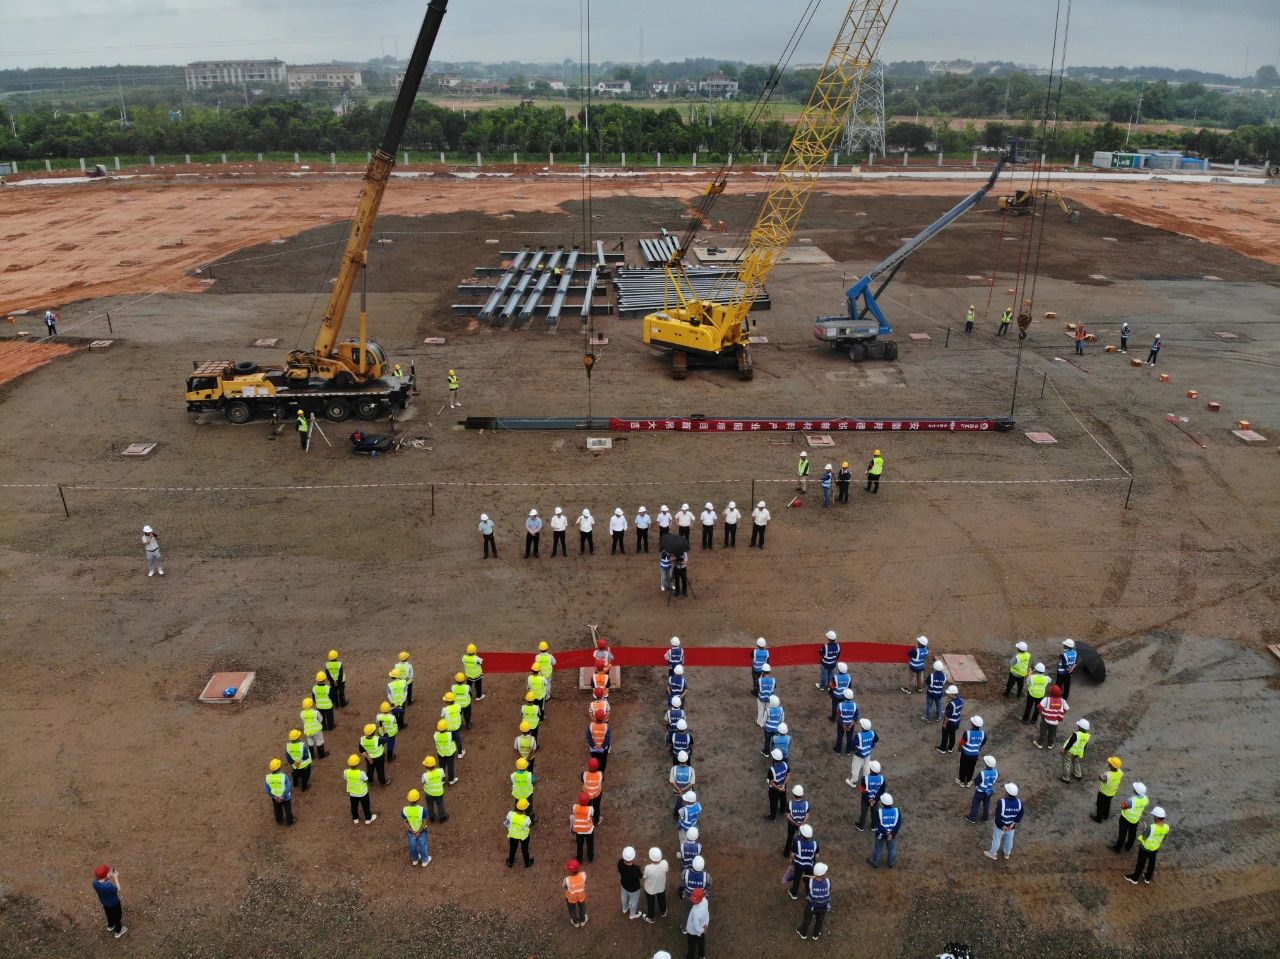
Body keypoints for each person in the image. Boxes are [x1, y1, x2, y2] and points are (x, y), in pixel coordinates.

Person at [1125, 807, 1169, 884]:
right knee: (1152, 862)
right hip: (1155, 848)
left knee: (1141, 863)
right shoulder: (1166, 827)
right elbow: (1164, 838)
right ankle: (1148, 877)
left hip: (1145, 848)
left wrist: (1145, 830)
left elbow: (1143, 838)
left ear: (1156, 817)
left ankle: (1134, 878)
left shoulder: (1151, 827)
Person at [984, 783, 1022, 861]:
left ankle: (993, 854)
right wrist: (1013, 824)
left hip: (1000, 826)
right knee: (1009, 840)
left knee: (996, 840)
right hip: (1011, 827)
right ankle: (1007, 853)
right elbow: (1020, 815)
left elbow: (997, 816)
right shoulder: (1019, 802)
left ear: (1007, 793)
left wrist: (1002, 826)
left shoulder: (1001, 802)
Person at [796, 861, 831, 941]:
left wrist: (813, 877)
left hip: (811, 906)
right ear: (823, 874)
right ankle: (816, 934)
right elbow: (829, 889)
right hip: (823, 906)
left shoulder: (809, 881)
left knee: (807, 920)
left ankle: (803, 933)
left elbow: (804, 877)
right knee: (820, 920)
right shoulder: (828, 881)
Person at [1113, 782, 1149, 853]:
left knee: (1122, 834)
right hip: (1135, 819)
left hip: (1125, 818)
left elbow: (1123, 807)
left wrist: (1123, 804)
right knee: (1132, 834)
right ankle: (1128, 846)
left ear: (1136, 791)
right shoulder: (1146, 799)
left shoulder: (1132, 800)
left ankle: (1117, 848)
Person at [92, 864, 126, 939]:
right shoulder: (108, 886)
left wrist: (108, 877)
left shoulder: (94, 882)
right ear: (107, 875)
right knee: (117, 916)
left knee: (109, 914)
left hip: (105, 903)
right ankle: (118, 931)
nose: (110, 872)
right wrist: (116, 878)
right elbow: (118, 889)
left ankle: (110, 925)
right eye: (109, 872)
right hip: (114, 904)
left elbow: (103, 881)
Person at [867, 793, 899, 868]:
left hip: (880, 835)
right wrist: (891, 834)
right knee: (891, 849)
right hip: (891, 835)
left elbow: (877, 824)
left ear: (882, 803)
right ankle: (891, 863)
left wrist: (886, 833)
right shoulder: (897, 811)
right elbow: (898, 824)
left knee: (878, 849)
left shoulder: (879, 812)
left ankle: (875, 863)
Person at [787, 823, 818, 900]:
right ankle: (808, 894)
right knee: (808, 878)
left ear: (802, 834)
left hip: (799, 864)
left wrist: (792, 861)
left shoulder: (796, 842)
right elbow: (817, 855)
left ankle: (793, 893)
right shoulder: (814, 844)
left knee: (797, 878)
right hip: (810, 864)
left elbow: (793, 854)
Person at [344, 754, 375, 825]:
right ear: (358, 763)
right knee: (366, 806)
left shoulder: (346, 772)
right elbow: (366, 780)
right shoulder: (361, 773)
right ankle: (368, 819)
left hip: (352, 793)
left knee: (354, 806)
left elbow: (345, 778)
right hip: (362, 793)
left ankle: (355, 818)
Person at [846, 717, 878, 786]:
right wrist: (870, 745)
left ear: (862, 727)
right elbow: (876, 739)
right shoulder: (873, 733)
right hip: (867, 753)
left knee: (856, 769)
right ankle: (866, 780)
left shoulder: (859, 735)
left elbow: (852, 745)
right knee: (866, 767)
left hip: (859, 755)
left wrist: (856, 749)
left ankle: (853, 782)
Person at [1035, 685, 1069, 749]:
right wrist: (1062, 714)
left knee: (1043, 732)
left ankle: (1040, 743)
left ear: (1051, 692)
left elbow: (1039, 707)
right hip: (1055, 722)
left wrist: (1041, 714)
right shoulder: (1062, 701)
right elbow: (1067, 708)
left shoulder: (1046, 699)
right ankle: (1050, 745)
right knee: (1052, 733)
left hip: (1045, 720)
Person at [966, 755, 998, 823]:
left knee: (975, 803)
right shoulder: (995, 772)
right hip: (989, 791)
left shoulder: (982, 773)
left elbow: (977, 781)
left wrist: (975, 782)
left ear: (986, 764)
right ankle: (985, 817)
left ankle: (973, 818)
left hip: (980, 791)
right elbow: (994, 781)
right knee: (986, 804)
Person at [403, 789, 431, 866]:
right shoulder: (422, 810)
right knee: (423, 845)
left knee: (412, 846)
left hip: (411, 832)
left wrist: (412, 830)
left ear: (408, 799)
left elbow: (405, 822)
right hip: (421, 832)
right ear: (418, 799)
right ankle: (425, 860)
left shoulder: (405, 810)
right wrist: (418, 831)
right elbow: (424, 821)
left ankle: (415, 859)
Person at [855, 760, 885, 832]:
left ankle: (861, 826)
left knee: (864, 813)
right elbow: (882, 791)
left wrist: (868, 799)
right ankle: (873, 826)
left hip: (865, 800)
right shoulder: (882, 779)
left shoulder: (865, 778)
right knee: (874, 813)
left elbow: (863, 790)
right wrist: (874, 800)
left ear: (871, 770)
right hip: (875, 800)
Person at [956, 716, 986, 787]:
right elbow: (984, 741)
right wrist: (979, 747)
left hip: (966, 753)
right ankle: (969, 781)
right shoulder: (983, 734)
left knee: (963, 766)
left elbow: (962, 742)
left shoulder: (967, 733)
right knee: (971, 767)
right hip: (975, 754)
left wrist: (959, 748)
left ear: (973, 724)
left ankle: (962, 781)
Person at [1093, 757, 1125, 823]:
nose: (1108, 763)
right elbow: (1121, 776)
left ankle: (1098, 818)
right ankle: (1106, 815)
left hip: (1103, 793)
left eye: (1110, 763)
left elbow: (1102, 779)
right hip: (1112, 792)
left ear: (1112, 766)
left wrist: (1099, 777)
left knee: (1100, 805)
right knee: (1107, 804)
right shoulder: (1120, 772)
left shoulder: (1107, 774)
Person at [264, 758, 295, 826]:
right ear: (279, 767)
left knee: (277, 809)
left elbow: (267, 790)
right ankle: (290, 821)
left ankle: (279, 820)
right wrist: (282, 796)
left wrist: (274, 796)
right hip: (285, 797)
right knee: (287, 809)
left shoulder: (268, 778)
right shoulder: (284, 777)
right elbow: (288, 787)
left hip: (275, 798)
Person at [782, 783, 810, 856]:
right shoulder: (806, 804)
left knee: (790, 838)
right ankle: (800, 852)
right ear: (802, 795)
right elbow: (807, 814)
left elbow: (788, 815)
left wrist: (795, 823)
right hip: (802, 825)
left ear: (794, 794)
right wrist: (803, 822)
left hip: (792, 824)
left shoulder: (790, 803)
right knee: (802, 839)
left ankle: (786, 853)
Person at [1060, 718, 1091, 783]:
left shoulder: (1076, 734)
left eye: (1079, 725)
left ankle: (1066, 778)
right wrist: (1082, 753)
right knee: (1076, 762)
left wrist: (1064, 750)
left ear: (1081, 727)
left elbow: (1069, 744)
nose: (1078, 726)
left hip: (1070, 751)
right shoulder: (1087, 736)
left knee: (1066, 763)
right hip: (1078, 752)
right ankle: (1078, 775)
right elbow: (1085, 746)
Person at [505, 798, 534, 868]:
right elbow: (527, 826)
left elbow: (507, 824)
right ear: (525, 809)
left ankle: (510, 863)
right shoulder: (527, 819)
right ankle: (527, 863)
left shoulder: (510, 814)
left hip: (513, 835)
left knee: (512, 849)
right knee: (525, 849)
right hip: (524, 836)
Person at [643, 847, 669, 922]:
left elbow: (644, 876)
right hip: (661, 887)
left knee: (651, 903)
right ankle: (663, 912)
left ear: (651, 858)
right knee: (662, 899)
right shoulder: (665, 863)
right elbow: (666, 870)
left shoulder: (648, 868)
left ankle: (651, 917)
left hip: (650, 889)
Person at [684, 886, 710, 959]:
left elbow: (696, 926)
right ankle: (701, 956)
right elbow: (707, 912)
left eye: (695, 901)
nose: (693, 902)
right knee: (701, 942)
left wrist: (702, 930)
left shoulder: (696, 912)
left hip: (692, 931)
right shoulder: (705, 901)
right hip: (702, 926)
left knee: (691, 947)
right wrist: (706, 924)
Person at [619, 847, 644, 919]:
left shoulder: (620, 863)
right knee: (633, 901)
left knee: (624, 897)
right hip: (634, 888)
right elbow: (640, 876)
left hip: (623, 885)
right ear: (633, 858)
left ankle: (625, 908)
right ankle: (632, 914)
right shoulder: (635, 869)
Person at [766, 748, 791, 820]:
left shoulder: (771, 769)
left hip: (774, 789)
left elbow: (770, 781)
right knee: (783, 798)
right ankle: (783, 810)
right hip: (783, 786)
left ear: (773, 759)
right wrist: (783, 785)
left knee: (773, 803)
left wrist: (777, 787)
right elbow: (788, 774)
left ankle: (772, 817)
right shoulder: (785, 764)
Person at [571, 791, 596, 863]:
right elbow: (592, 815)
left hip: (579, 831)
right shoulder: (590, 809)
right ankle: (590, 857)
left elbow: (574, 812)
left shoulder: (575, 807)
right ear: (588, 801)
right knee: (590, 844)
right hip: (589, 830)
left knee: (579, 845)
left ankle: (579, 859)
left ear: (579, 800)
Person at [937, 685, 963, 753]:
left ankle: (942, 748)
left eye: (949, 693)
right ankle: (950, 748)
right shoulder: (961, 700)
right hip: (956, 722)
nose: (948, 694)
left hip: (950, 723)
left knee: (945, 735)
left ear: (953, 694)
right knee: (952, 735)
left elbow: (947, 716)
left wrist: (945, 724)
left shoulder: (951, 705)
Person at [669, 750, 696, 815]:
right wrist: (683, 790)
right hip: (687, 792)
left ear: (678, 760)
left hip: (677, 791)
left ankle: (676, 813)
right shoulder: (691, 770)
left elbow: (672, 781)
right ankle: (686, 814)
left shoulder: (674, 769)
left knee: (678, 801)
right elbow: (692, 783)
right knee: (687, 803)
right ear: (686, 760)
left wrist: (679, 791)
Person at [564, 859, 588, 927]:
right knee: (582, 907)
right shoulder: (583, 875)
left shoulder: (567, 879)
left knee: (572, 909)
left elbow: (564, 886)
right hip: (581, 896)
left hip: (571, 898)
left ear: (570, 871)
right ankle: (583, 920)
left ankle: (575, 922)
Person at [434, 719, 458, 784]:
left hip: (441, 754)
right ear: (446, 727)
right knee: (450, 767)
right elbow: (454, 738)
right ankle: (451, 779)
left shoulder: (435, 735)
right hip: (450, 753)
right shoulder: (450, 734)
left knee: (442, 767)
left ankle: (442, 780)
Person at [834, 688, 858, 754]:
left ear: (844, 696)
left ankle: (838, 750)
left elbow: (839, 716)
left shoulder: (840, 705)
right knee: (850, 737)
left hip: (841, 724)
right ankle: (848, 751)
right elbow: (855, 717)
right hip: (851, 724)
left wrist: (843, 725)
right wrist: (850, 725)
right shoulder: (855, 705)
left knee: (840, 736)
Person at [582, 757, 604, 824]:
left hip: (586, 795)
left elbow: (582, 780)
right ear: (597, 766)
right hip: (597, 795)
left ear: (588, 766)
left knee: (587, 806)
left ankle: (587, 817)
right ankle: (596, 820)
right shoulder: (600, 775)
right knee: (596, 807)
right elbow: (602, 780)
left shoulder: (584, 774)